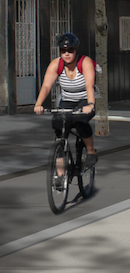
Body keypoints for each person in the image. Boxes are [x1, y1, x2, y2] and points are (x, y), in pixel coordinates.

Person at [34, 33, 98, 181]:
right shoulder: (56, 64)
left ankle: (90, 151)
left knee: (80, 121)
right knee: (59, 126)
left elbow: (89, 85)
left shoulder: (85, 62)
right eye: (63, 51)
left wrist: (90, 104)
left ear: (76, 50)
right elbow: (46, 86)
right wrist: (38, 104)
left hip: (85, 99)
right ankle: (60, 176)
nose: (67, 54)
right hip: (67, 100)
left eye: (70, 50)